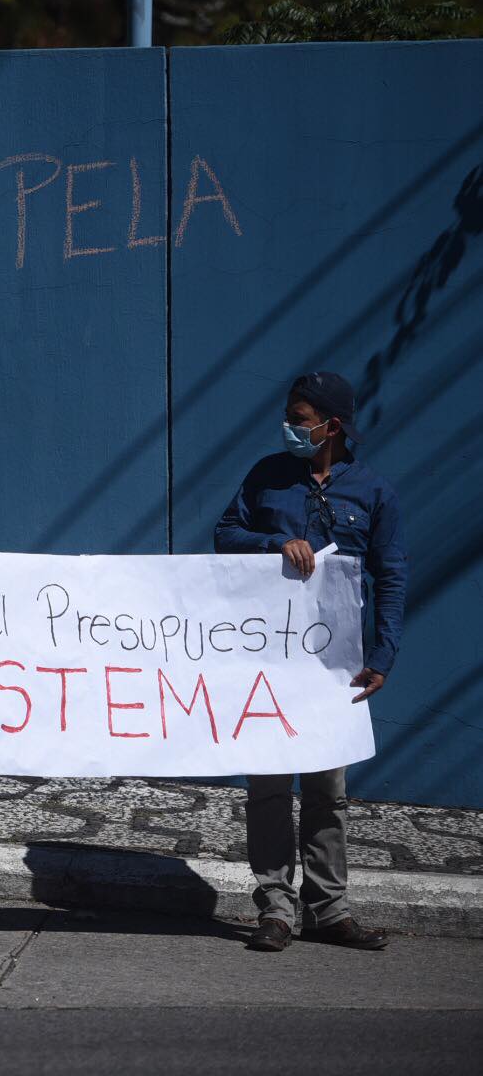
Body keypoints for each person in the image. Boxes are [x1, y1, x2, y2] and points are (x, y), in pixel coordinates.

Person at [214, 371, 406, 953]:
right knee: (269, 785)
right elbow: (225, 533)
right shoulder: (267, 477)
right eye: (290, 417)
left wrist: (383, 653)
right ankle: (274, 907)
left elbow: (390, 575)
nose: (290, 428)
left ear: (332, 426)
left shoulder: (373, 493)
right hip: (268, 660)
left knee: (328, 788)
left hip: (332, 666)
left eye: (300, 419)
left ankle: (329, 910)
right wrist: (274, 544)